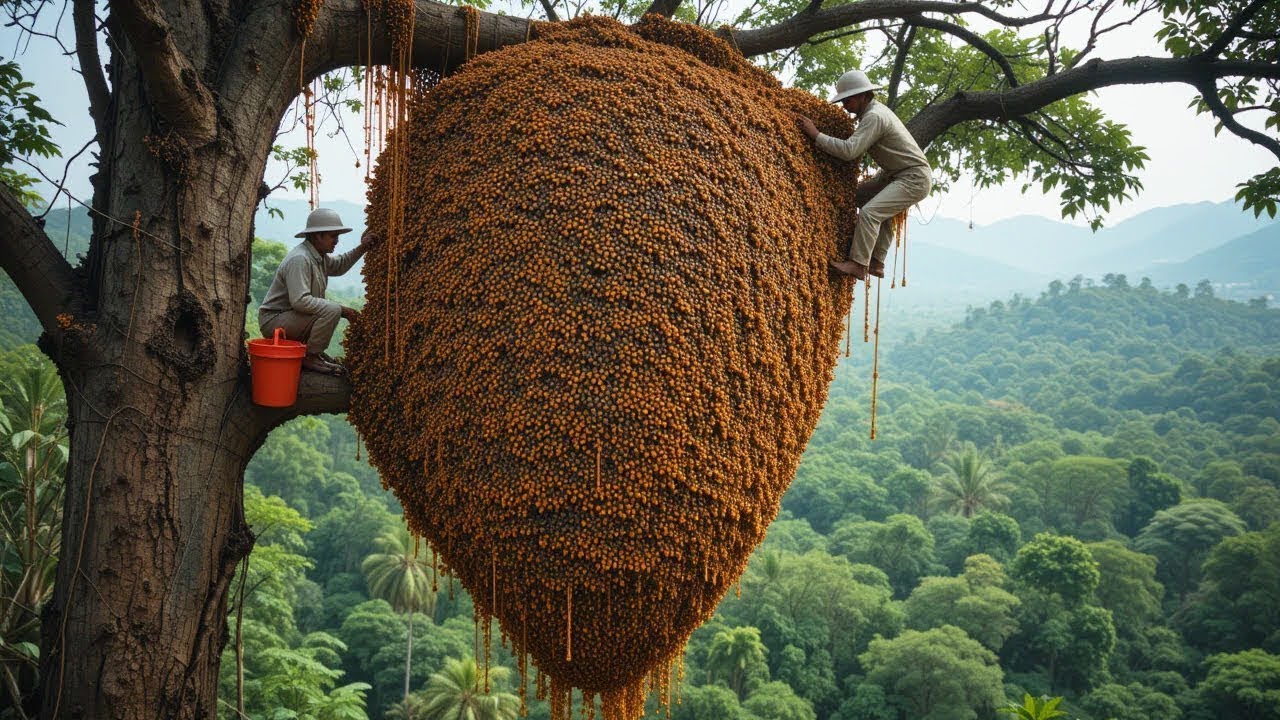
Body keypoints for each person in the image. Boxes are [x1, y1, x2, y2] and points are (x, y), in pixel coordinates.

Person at [795, 69, 932, 279]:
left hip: (913, 177)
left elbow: (849, 151)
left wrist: (816, 135)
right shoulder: (873, 113)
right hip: (896, 174)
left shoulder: (874, 117)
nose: (844, 107)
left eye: (847, 101)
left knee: (870, 212)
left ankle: (858, 264)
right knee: (861, 196)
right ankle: (877, 262)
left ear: (861, 96)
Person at [259, 208, 380, 375]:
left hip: (290, 317)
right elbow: (300, 301)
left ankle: (313, 353)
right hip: (274, 321)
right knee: (332, 309)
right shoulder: (300, 259)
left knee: (331, 309)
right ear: (317, 236)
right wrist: (342, 310)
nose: (336, 241)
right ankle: (311, 356)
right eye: (333, 236)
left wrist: (363, 247)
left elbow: (339, 265)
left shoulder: (318, 256)